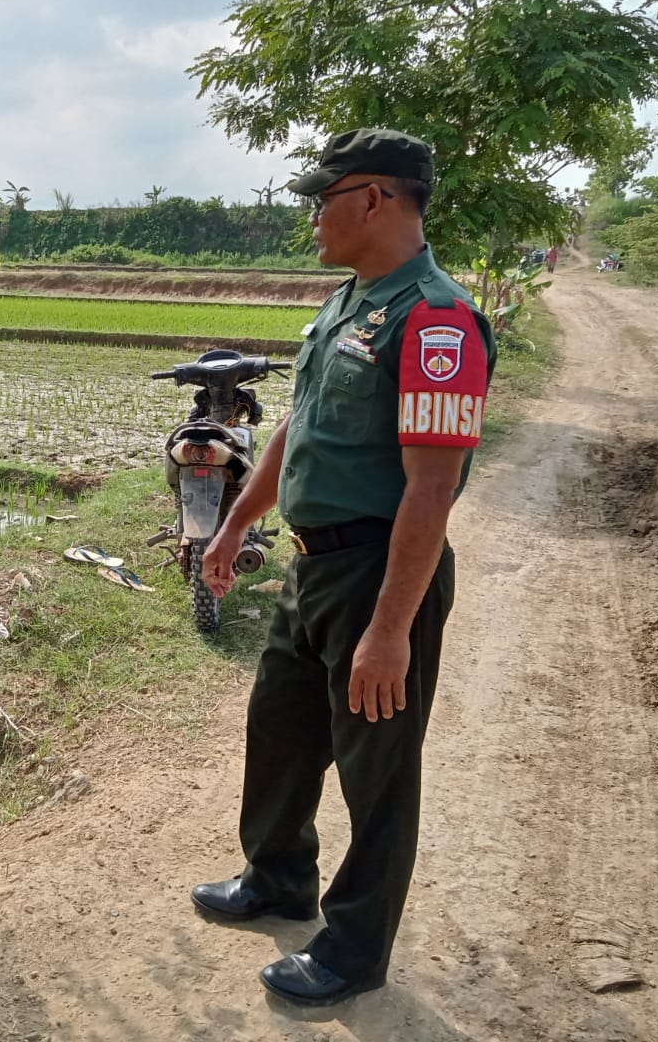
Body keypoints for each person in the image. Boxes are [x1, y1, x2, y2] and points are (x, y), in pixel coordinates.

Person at [189, 128, 496, 1007]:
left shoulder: (435, 321)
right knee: (278, 730)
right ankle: (278, 877)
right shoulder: (349, 302)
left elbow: (431, 490)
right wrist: (236, 523)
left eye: (322, 199)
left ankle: (355, 948)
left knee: (377, 768)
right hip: (310, 567)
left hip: (378, 572)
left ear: (375, 198)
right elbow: (298, 425)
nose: (312, 216)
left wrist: (391, 628)